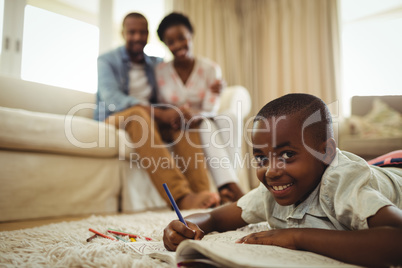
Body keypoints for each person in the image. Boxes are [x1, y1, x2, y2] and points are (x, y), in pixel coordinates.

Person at [163, 93, 402, 267]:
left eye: (287, 155)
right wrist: (185, 226)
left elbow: (396, 241)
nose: (271, 172)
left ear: (326, 153)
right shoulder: (274, 190)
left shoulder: (343, 182)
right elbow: (215, 216)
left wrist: (297, 237)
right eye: (261, 158)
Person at [94, 12, 220, 209]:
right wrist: (160, 113)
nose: (137, 37)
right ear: (122, 33)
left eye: (142, 32)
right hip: (114, 118)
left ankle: (202, 194)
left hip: (149, 118)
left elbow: (166, 94)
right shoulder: (107, 60)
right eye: (132, 32)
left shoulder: (155, 64)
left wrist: (180, 111)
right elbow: (113, 99)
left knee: (182, 121)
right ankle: (180, 197)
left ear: (148, 35)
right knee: (138, 114)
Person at [156, 12, 244, 203]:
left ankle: (228, 184)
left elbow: (211, 106)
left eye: (182, 38)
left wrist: (199, 114)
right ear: (166, 45)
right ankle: (231, 188)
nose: (178, 45)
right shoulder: (160, 72)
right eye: (171, 42)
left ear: (191, 35)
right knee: (204, 125)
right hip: (180, 124)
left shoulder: (210, 68)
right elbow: (160, 103)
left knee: (230, 118)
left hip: (205, 116)